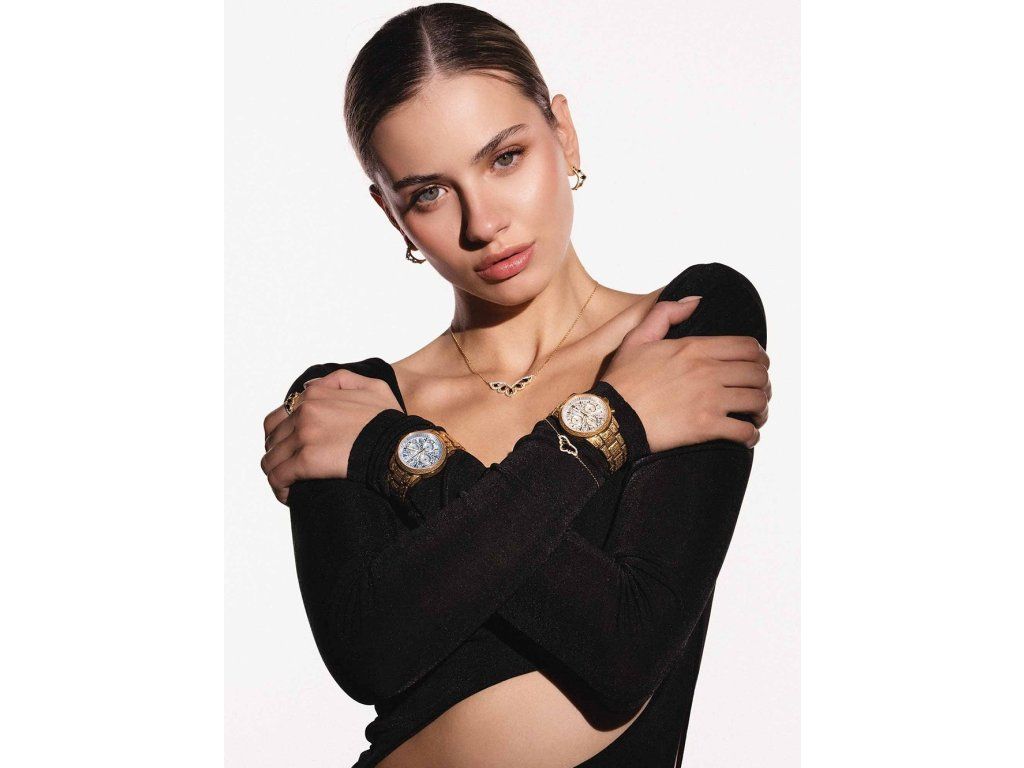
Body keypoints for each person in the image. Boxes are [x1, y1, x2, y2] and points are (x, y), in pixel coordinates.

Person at [260, 4, 771, 766]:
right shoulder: (349, 402)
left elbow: (625, 648)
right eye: (428, 193)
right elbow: (369, 654)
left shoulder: (685, 328)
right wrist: (609, 428)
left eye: (504, 158)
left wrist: (397, 457)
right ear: (391, 213)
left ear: (563, 133)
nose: (483, 222)